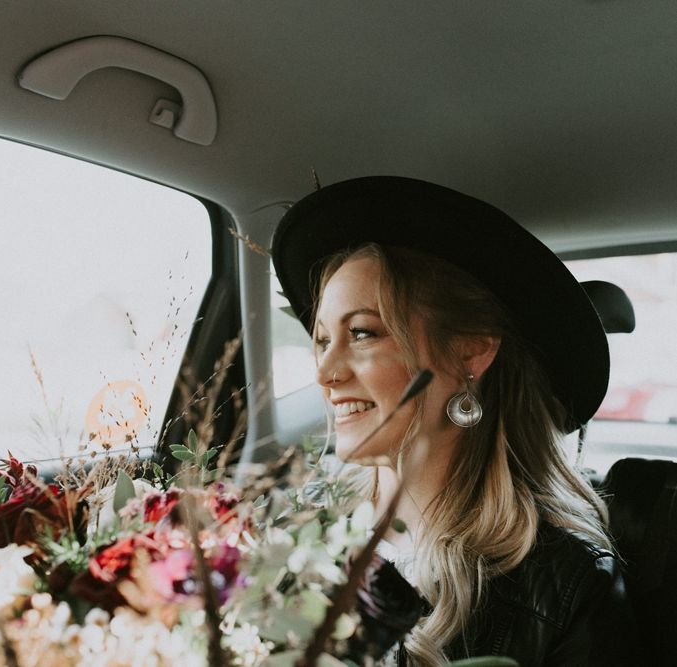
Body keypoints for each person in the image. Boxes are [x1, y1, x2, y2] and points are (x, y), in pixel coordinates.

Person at [271, 177, 636, 666]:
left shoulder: (566, 585)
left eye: (361, 333)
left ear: (470, 349)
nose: (325, 372)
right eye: (321, 340)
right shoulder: (297, 523)